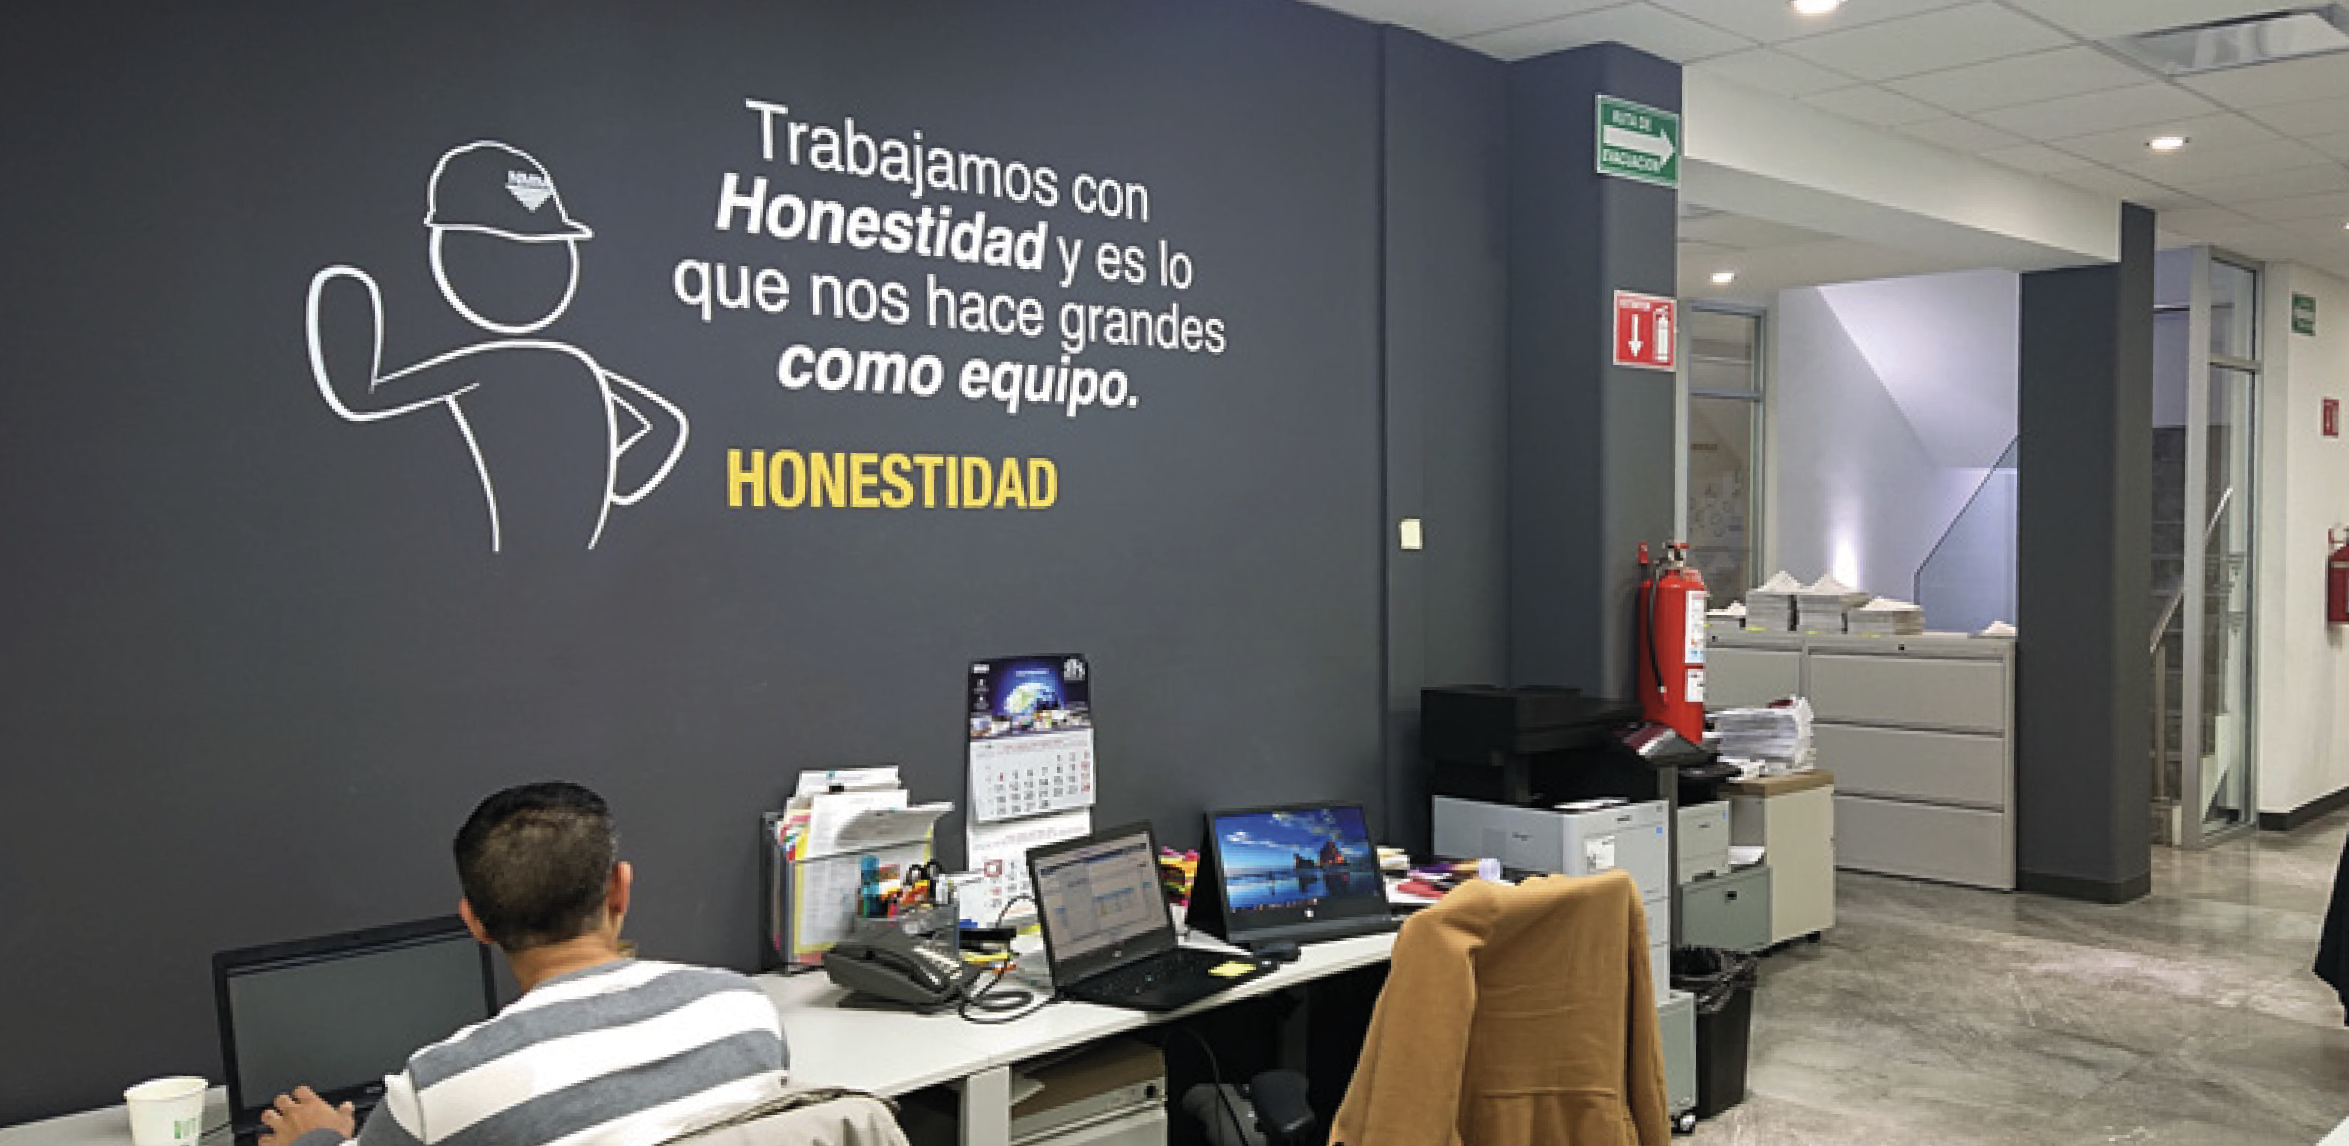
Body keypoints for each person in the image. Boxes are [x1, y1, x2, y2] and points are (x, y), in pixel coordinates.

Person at [260, 782, 788, 1146]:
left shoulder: (438, 1088)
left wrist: (318, 1135)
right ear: (620, 889)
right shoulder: (742, 1006)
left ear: (476, 924)